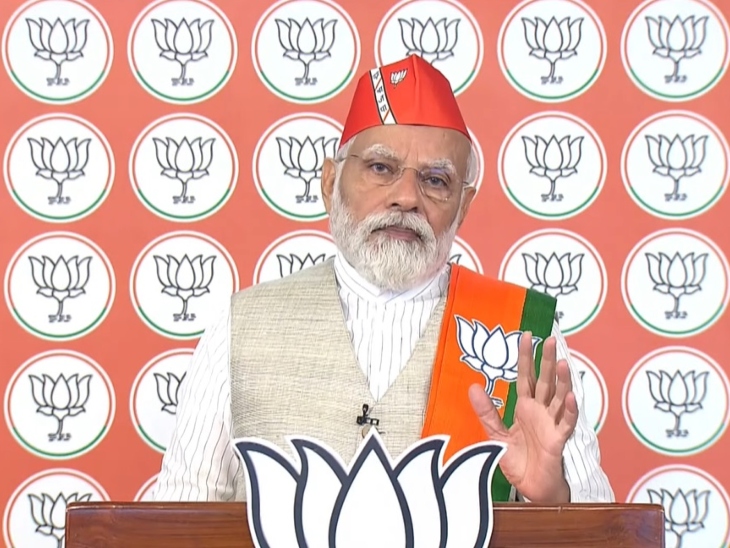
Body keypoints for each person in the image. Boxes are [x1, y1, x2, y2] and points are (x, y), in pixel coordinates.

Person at [152, 54, 614, 505]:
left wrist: (553, 497)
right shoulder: (242, 324)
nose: (407, 197)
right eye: (381, 168)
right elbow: (178, 520)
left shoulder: (523, 330)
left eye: (436, 180)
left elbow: (598, 529)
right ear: (330, 182)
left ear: (463, 206)